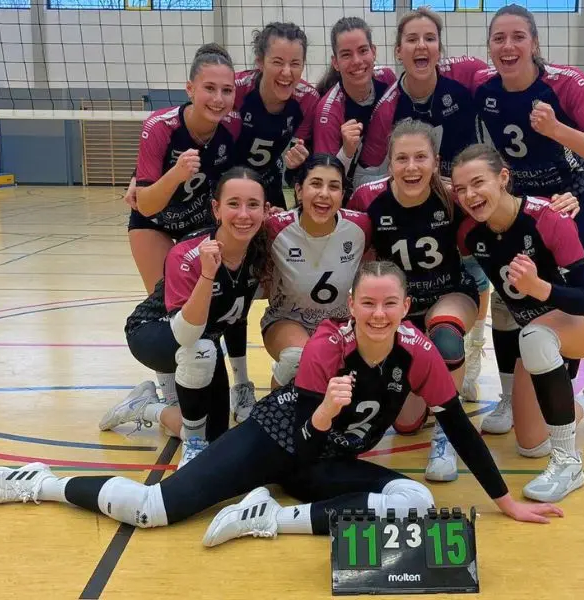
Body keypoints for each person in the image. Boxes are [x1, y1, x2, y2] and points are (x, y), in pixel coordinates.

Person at [0, 262, 563, 545]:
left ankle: (268, 519)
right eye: (368, 304)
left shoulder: (419, 353)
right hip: (276, 440)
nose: (379, 314)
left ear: (405, 308)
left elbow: (459, 428)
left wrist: (505, 501)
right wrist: (323, 413)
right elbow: (304, 436)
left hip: (322, 465)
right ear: (352, 307)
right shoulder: (328, 346)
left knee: (416, 501)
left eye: (390, 304)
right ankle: (39, 483)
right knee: (152, 510)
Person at [470, 3, 584, 438]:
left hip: (570, 205)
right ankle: (508, 395)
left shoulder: (566, 83)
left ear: (535, 42)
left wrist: (557, 130)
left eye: (518, 36)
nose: (509, 46)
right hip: (518, 206)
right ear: (489, 47)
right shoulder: (484, 87)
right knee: (507, 294)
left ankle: (577, 397)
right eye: (499, 38)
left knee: (558, 299)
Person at [452, 145, 584, 503]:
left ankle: (568, 463)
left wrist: (538, 288)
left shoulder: (548, 218)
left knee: (533, 336)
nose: (469, 195)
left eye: (478, 183)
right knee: (531, 443)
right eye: (460, 189)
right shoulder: (470, 232)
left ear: (503, 178)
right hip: (540, 333)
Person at [99, 167, 268, 468]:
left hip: (204, 343)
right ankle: (192, 444)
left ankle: (146, 407)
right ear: (216, 208)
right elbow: (186, 335)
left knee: (216, 434)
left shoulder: (260, 249)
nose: (244, 214)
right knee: (200, 350)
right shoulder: (188, 254)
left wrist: (241, 381)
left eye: (253, 205)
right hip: (154, 332)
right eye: (233, 204)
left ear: (266, 210)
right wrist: (207, 275)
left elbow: (236, 318)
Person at [121, 44, 256, 421]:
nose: (218, 98)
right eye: (209, 88)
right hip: (154, 224)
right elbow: (146, 205)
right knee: (170, 311)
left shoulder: (231, 126)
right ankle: (166, 397)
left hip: (199, 223)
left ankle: (239, 383)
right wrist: (176, 174)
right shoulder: (160, 127)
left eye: (226, 90)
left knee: (229, 295)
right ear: (190, 89)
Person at [348, 120, 481, 483]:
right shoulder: (368, 198)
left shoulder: (453, 197)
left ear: (436, 161)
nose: (411, 167)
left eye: (421, 157)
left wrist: (559, 202)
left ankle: (447, 436)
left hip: (449, 295)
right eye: (402, 158)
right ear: (389, 163)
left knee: (446, 337)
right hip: (398, 310)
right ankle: (422, 394)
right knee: (406, 425)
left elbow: (502, 204)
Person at [262, 154, 371, 389]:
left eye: (334, 187)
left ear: (343, 194)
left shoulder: (360, 227)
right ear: (299, 191)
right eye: (316, 184)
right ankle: (274, 409)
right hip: (289, 320)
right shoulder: (274, 227)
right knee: (297, 360)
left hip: (342, 323)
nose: (324, 193)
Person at [357, 7, 487, 187]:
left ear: (439, 50)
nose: (421, 45)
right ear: (398, 52)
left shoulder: (468, 73)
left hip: (468, 189)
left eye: (430, 38)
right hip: (416, 192)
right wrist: (408, 182)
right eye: (412, 39)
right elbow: (361, 179)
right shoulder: (387, 109)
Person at [233, 22, 320, 209]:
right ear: (260, 62)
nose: (286, 72)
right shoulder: (234, 90)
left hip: (268, 180)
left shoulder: (308, 99)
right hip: (226, 179)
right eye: (278, 62)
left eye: (295, 63)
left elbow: (295, 162)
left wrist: (298, 160)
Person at [313, 17, 397, 182]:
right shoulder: (328, 111)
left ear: (374, 52)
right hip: (348, 188)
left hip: (389, 178)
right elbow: (324, 178)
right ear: (335, 63)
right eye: (346, 54)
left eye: (363, 50)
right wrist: (346, 152)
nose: (357, 61)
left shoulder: (387, 78)